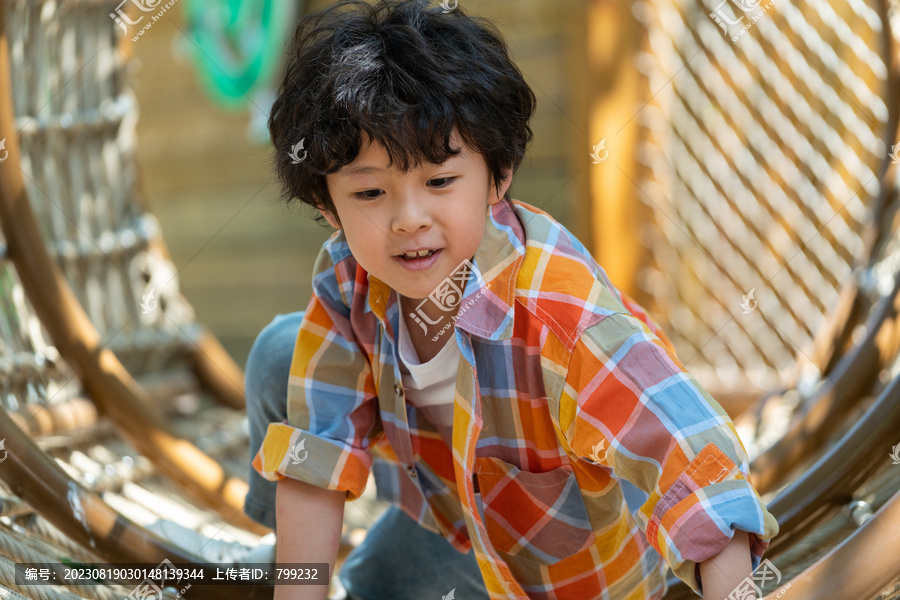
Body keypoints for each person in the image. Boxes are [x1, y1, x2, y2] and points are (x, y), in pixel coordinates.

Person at [246, 1, 780, 599]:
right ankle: (279, 563)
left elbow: (696, 458)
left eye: (440, 182)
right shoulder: (349, 281)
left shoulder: (561, 313)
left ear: (497, 177)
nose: (408, 220)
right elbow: (319, 447)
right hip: (455, 528)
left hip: (576, 575)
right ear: (327, 206)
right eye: (370, 191)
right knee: (280, 354)